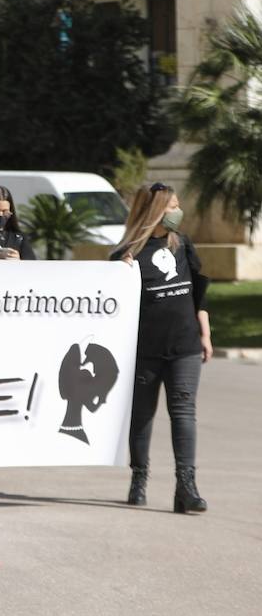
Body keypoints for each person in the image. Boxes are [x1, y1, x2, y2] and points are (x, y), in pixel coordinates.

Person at [112, 183, 211, 513]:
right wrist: (119, 274)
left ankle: (187, 486)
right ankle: (139, 478)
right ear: (155, 211)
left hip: (185, 346)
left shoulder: (182, 244)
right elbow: (109, 305)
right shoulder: (126, 255)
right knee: (141, 417)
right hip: (144, 351)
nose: (177, 212)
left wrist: (205, 336)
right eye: (171, 207)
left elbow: (199, 294)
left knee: (184, 413)